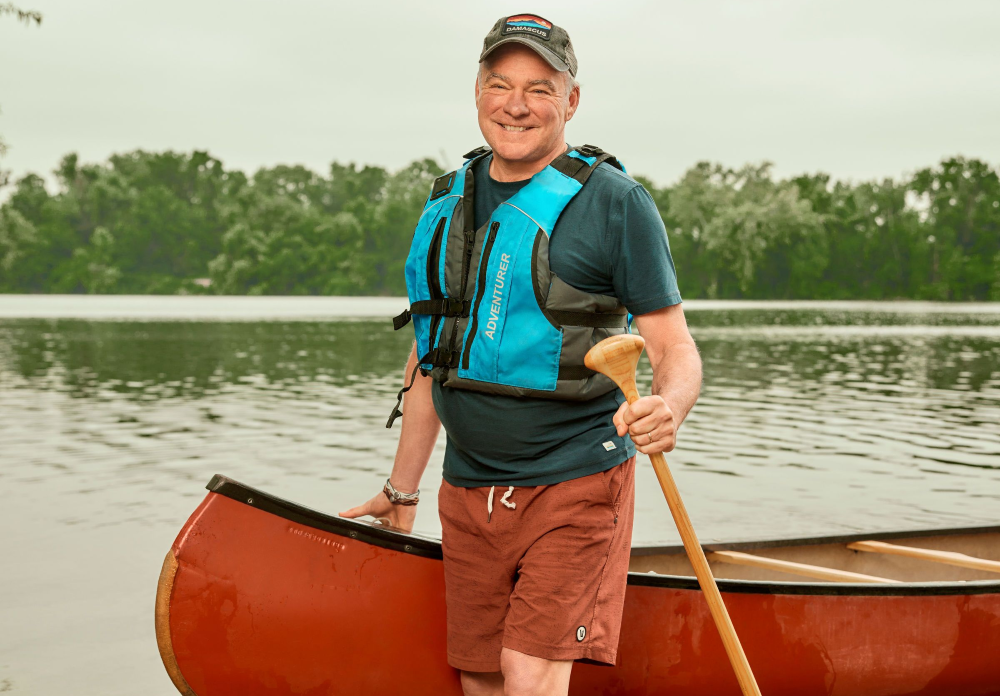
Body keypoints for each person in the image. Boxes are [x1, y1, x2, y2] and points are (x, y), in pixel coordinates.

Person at [342, 14, 702, 696]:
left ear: (571, 100)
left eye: (540, 88)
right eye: (500, 84)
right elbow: (432, 357)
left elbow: (674, 346)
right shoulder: (449, 201)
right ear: (477, 91)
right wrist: (401, 490)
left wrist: (670, 404)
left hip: (573, 482)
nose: (516, 104)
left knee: (528, 675)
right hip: (469, 488)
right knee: (479, 675)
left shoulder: (615, 203)